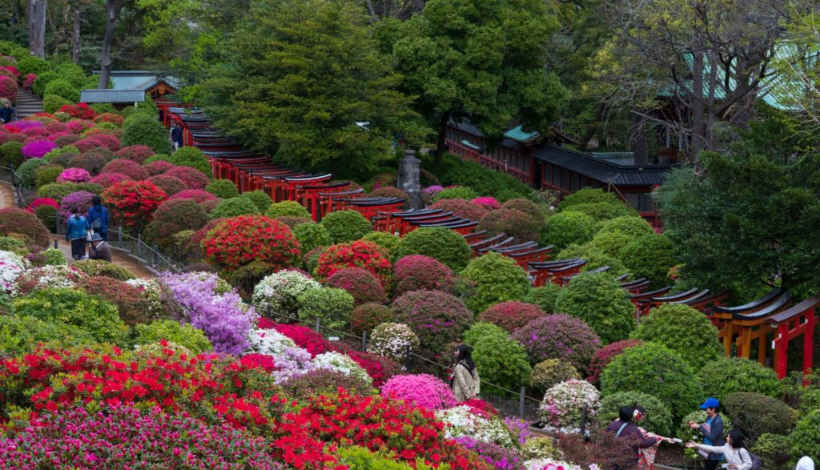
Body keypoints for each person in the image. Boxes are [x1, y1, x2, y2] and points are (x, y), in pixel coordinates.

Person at [686, 430, 753, 470]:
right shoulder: (726, 447)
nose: (726, 438)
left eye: (728, 437)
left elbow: (749, 464)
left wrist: (737, 467)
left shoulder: (742, 451)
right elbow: (712, 449)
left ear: (734, 439)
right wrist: (697, 445)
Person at [688, 398, 725, 470]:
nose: (705, 410)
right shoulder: (709, 417)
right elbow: (706, 428)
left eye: (707, 408)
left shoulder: (718, 422)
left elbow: (712, 437)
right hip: (706, 450)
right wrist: (696, 425)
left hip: (714, 453)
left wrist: (699, 427)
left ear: (713, 409)